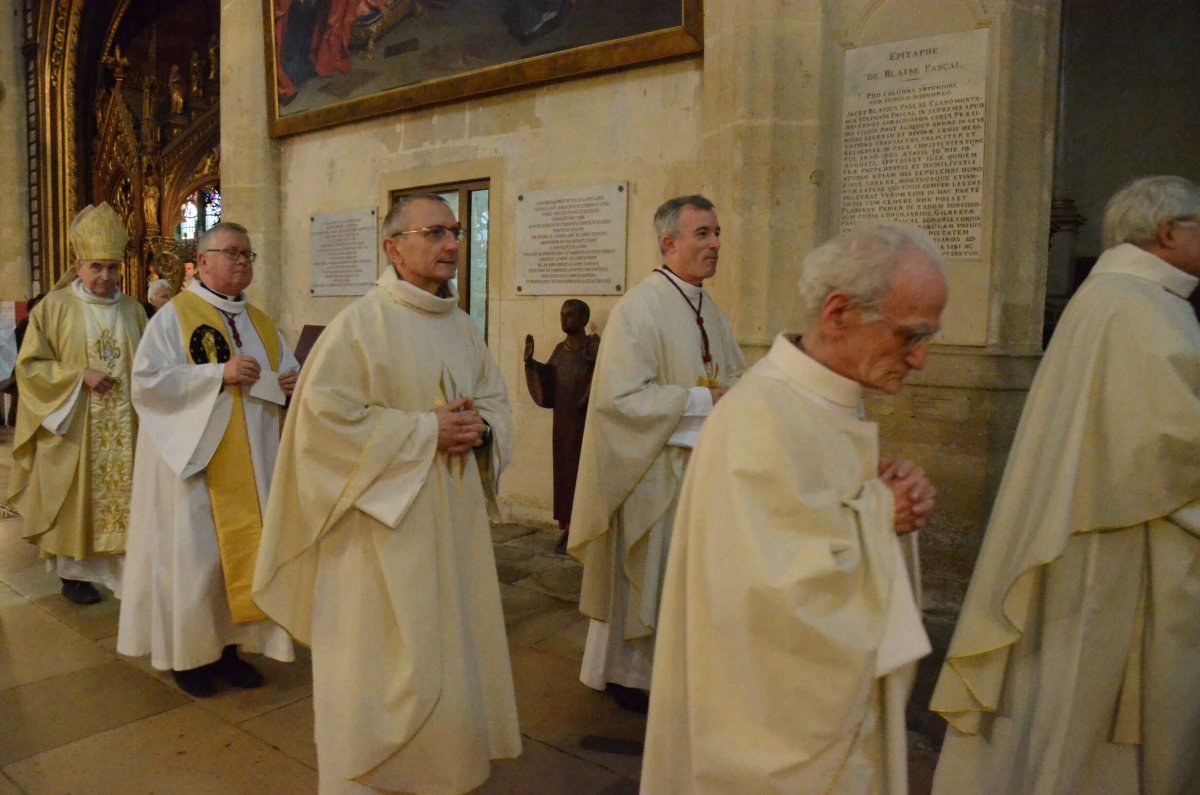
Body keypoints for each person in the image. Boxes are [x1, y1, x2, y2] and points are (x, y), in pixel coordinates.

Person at [641, 221, 945, 793]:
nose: (922, 358)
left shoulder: (827, 402)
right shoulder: (758, 417)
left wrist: (881, 499)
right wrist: (881, 514)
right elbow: (772, 603)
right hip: (768, 740)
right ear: (837, 315)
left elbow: (809, 522)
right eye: (909, 336)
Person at [929, 176, 1200, 794]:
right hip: (1113, 543)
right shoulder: (1138, 307)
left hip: (1096, 526)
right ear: (1168, 232)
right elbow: (1167, 441)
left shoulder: (1113, 296)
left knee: (1063, 693)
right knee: (1086, 696)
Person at [254, 194, 520, 794]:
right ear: (392, 248)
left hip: (451, 526)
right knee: (382, 666)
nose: (452, 244)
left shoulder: (462, 326)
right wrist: (427, 431)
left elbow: (495, 400)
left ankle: (444, 771)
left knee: (452, 657)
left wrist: (484, 428)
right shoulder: (359, 327)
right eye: (435, 233)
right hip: (379, 536)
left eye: (455, 232)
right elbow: (323, 426)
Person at [568, 194, 746, 710]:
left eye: (716, 233)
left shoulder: (706, 306)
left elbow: (730, 373)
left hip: (699, 468)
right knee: (649, 573)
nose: (715, 244)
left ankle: (679, 670)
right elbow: (620, 400)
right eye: (702, 234)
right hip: (654, 470)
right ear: (669, 243)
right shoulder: (639, 307)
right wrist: (701, 399)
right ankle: (632, 677)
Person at [117, 222, 298, 698]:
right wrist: (219, 374)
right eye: (231, 253)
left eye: (248, 254)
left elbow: (283, 372)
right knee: (194, 562)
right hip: (195, 464)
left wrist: (289, 384)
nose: (242, 261)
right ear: (203, 262)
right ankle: (190, 659)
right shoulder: (174, 317)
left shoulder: (259, 320)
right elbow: (148, 383)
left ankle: (232, 649)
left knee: (237, 562)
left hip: (253, 462)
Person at [7, 203, 147, 605]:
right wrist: (77, 376)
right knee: (73, 500)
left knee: (129, 498)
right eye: (96, 267)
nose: (106, 276)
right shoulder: (52, 309)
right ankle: (74, 576)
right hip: (73, 428)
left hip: (128, 428)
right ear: (78, 265)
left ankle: (126, 574)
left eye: (112, 268)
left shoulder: (135, 311)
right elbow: (30, 367)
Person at [524, 299, 599, 553]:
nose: (564, 318)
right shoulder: (560, 349)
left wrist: (592, 362)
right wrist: (531, 364)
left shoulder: (592, 350)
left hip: (584, 424)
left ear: (584, 319)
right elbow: (549, 382)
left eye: (570, 314)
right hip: (563, 423)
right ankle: (567, 526)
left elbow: (600, 382)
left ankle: (584, 526)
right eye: (562, 314)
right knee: (564, 476)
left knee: (584, 473)